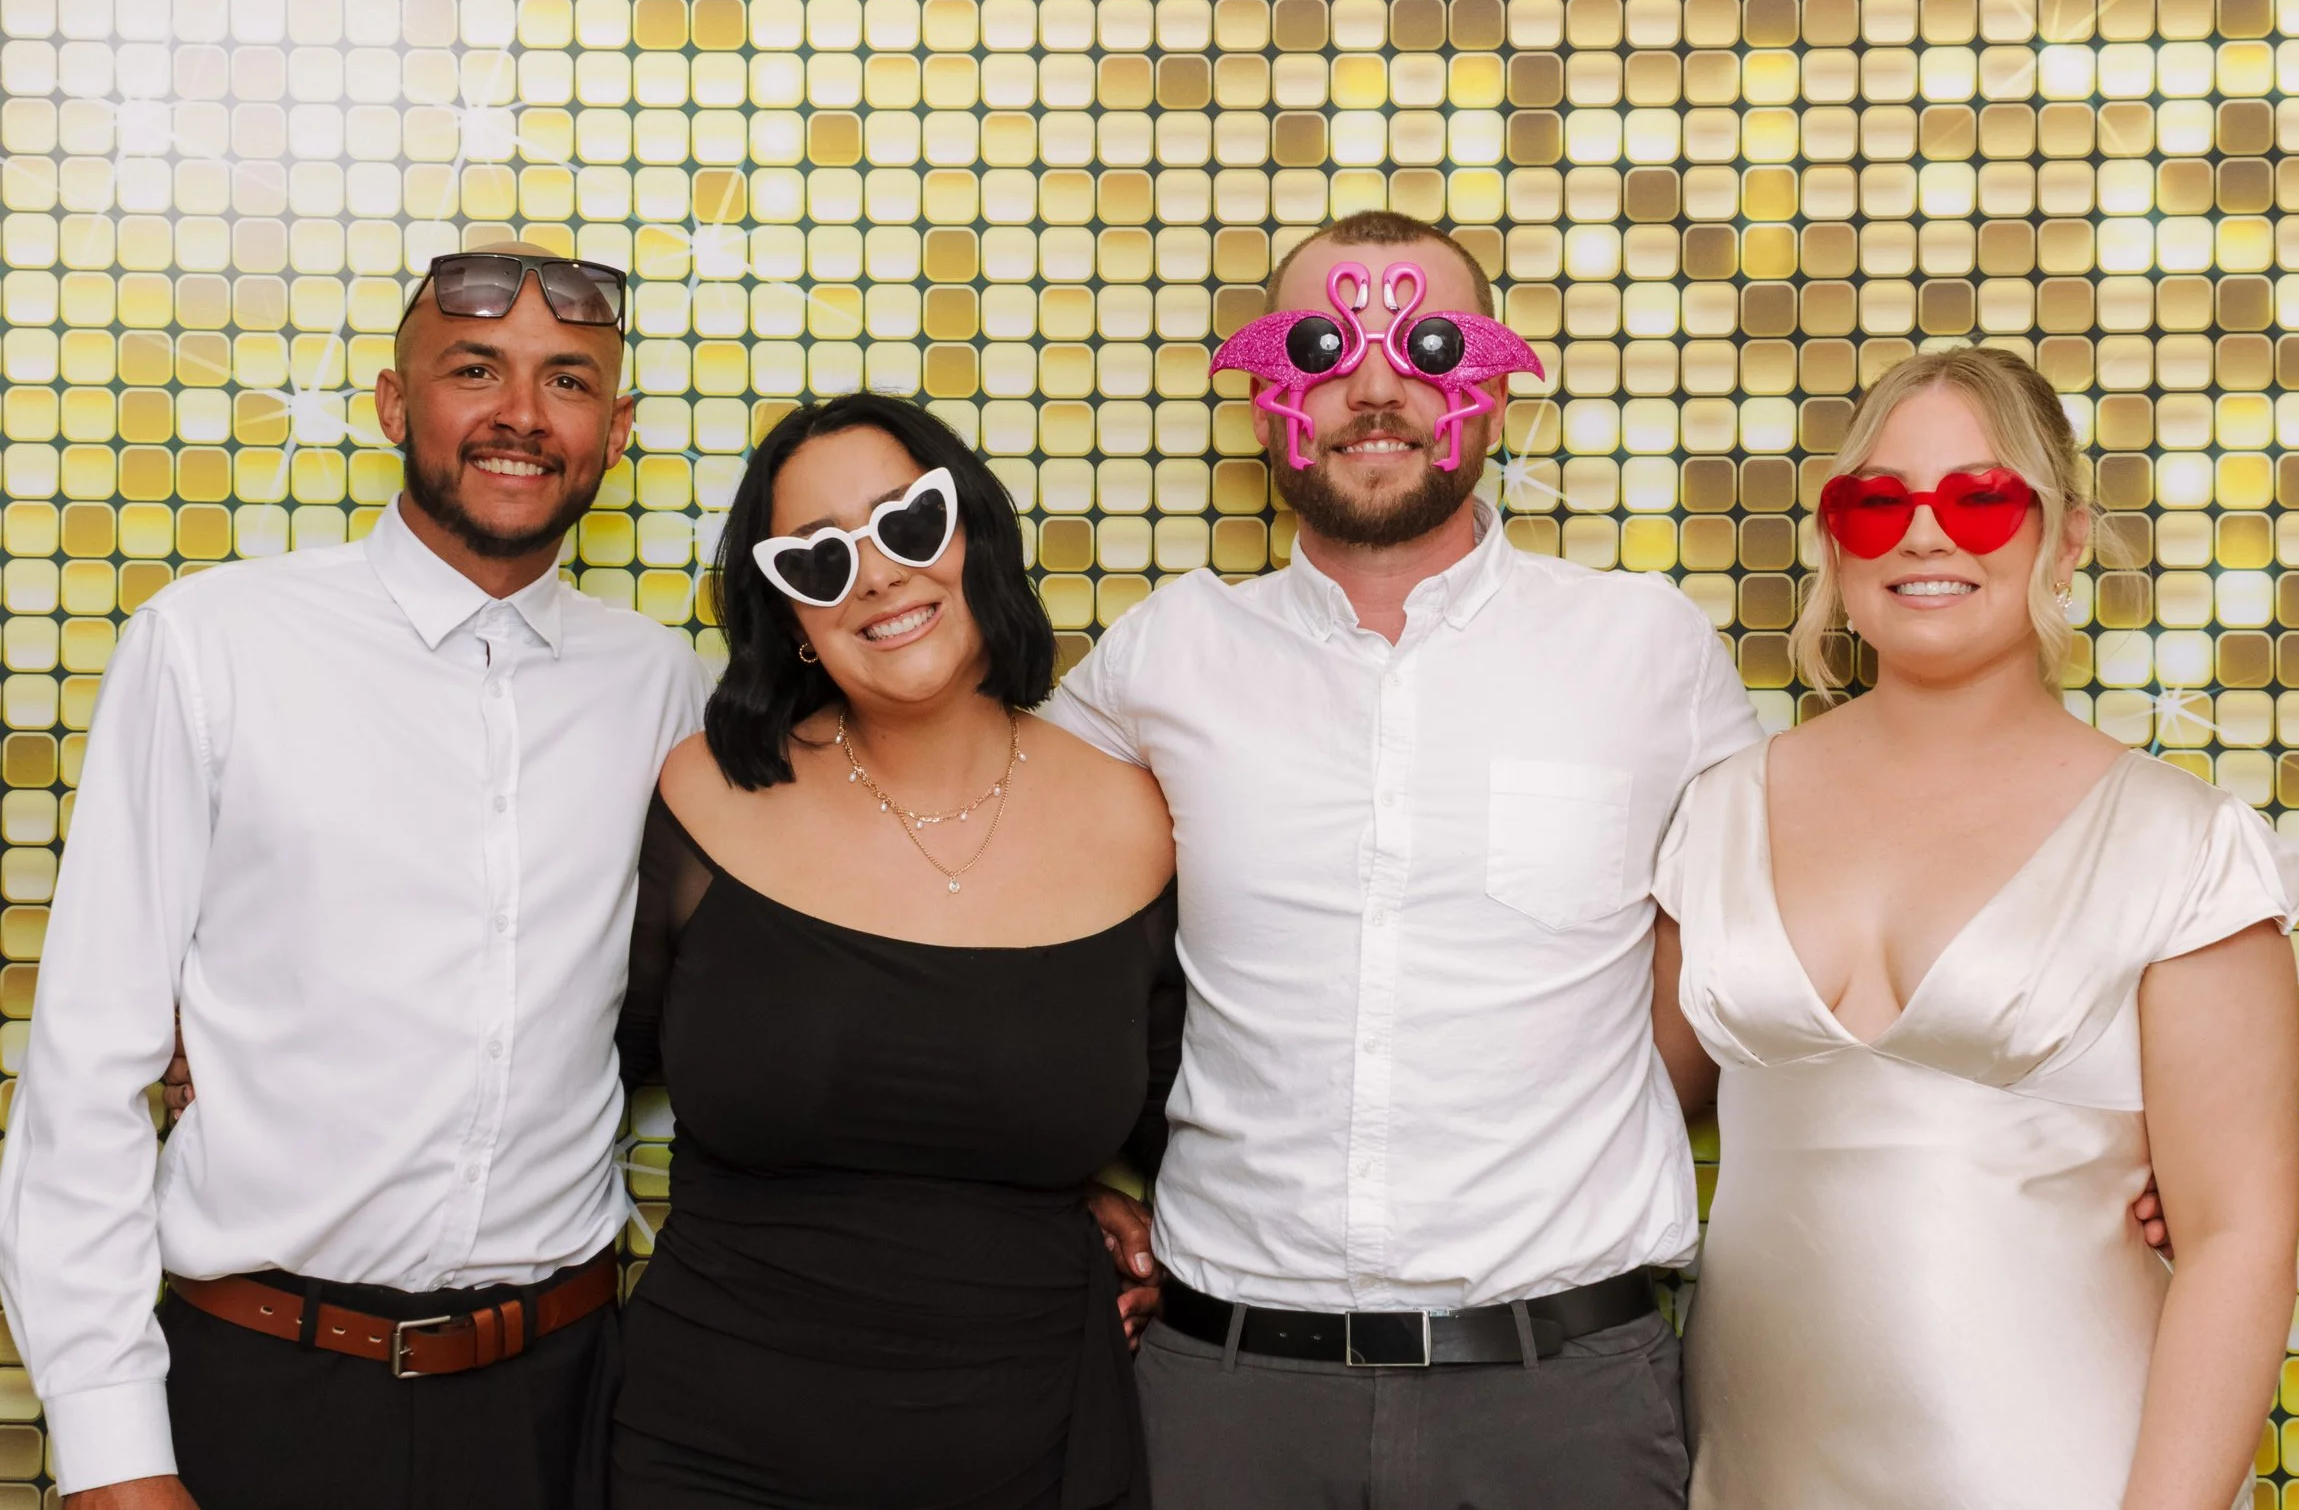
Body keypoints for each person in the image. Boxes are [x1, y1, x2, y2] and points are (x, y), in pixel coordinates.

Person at [1043, 209, 1756, 1506]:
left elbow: (1740, 951)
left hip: (1563, 1393)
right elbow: (982, 886)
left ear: (1494, 383)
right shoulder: (1162, 658)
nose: (1376, 387)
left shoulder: (1647, 651)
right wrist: (1041, 1179)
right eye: (1322, 346)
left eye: (1427, 346)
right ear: (1263, 391)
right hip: (1229, 1393)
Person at [0, 247, 710, 1509]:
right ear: (393, 403)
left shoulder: (662, 688)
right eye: (474, 370)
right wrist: (113, 1452)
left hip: (563, 1403)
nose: (521, 414)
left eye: (568, 380)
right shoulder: (213, 646)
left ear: (616, 432)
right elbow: (88, 1063)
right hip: (261, 1387)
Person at [1650, 347, 2299, 1509]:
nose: (1923, 534)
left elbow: (2237, 1242)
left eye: (1979, 497)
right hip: (1754, 1469)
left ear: (2063, 538)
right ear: (1834, 538)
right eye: (1878, 501)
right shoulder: (1716, 812)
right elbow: (1617, 1111)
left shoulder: (2183, 845)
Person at [607, 393, 1182, 1510]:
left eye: (908, 524)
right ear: (790, 616)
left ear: (974, 536)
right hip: (709, 1452)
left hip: (1036, 1448)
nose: (874, 575)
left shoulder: (1137, 819)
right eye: (817, 559)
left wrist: (1172, 1261)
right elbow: (569, 1068)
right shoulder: (706, 793)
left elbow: (1197, 1125)